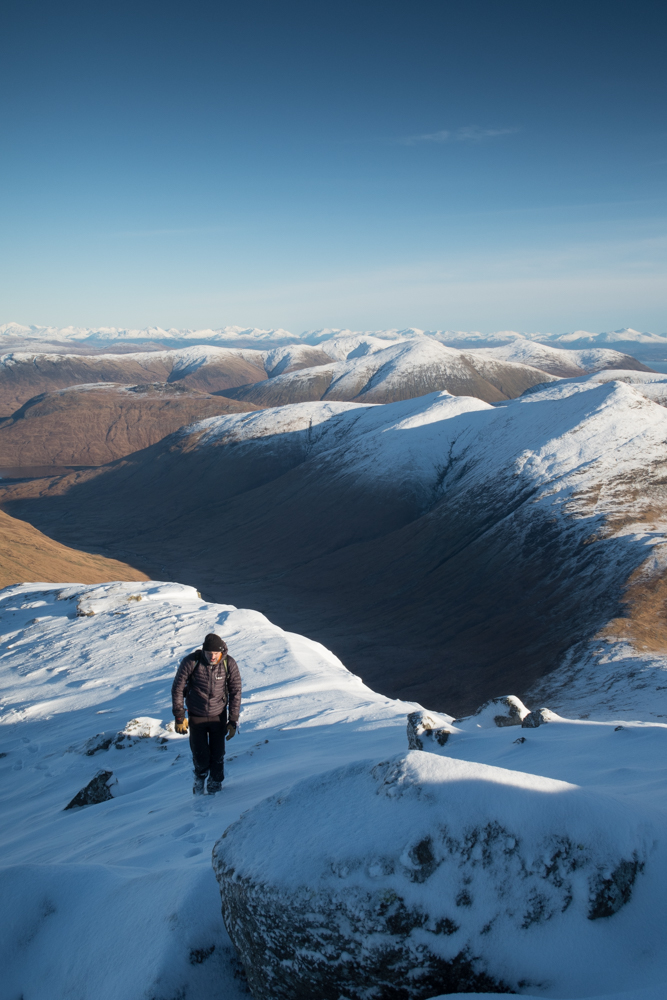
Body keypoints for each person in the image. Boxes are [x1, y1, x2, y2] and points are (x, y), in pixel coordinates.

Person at [171, 633, 242, 795]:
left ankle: (215, 785)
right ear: (203, 651)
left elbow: (235, 692)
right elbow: (177, 688)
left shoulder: (228, 663)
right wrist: (179, 716)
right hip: (196, 715)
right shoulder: (191, 662)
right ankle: (200, 776)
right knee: (200, 755)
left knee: (218, 755)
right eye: (209, 653)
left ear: (221, 652)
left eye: (216, 654)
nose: (212, 657)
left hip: (218, 716)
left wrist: (233, 720)